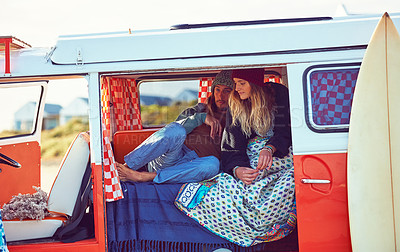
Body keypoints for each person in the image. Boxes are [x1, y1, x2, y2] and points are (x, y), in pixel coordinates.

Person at [175, 68, 296, 247]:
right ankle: (250, 226)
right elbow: (232, 145)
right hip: (253, 151)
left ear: (254, 83)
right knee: (249, 178)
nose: (236, 88)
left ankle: (266, 224)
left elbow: (285, 130)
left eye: (241, 83)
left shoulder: (278, 94)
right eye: (236, 83)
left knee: (289, 178)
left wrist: (270, 148)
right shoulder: (236, 102)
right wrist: (238, 169)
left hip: (280, 150)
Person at [116, 70, 234, 184]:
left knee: (213, 164)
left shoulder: (237, 120)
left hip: (193, 167)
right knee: (176, 130)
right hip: (171, 157)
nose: (220, 95)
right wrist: (201, 118)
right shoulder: (197, 110)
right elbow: (172, 132)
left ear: (235, 93)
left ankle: (144, 177)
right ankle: (125, 169)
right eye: (217, 89)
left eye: (226, 91)